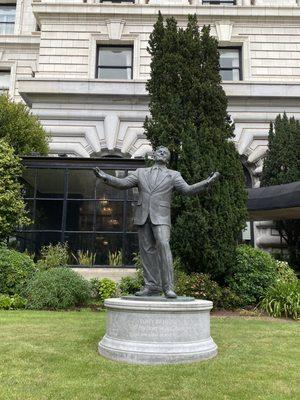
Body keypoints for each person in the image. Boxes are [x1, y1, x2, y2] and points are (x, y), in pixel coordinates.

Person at [94, 146, 220, 298]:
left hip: (161, 217)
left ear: (167, 159)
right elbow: (123, 183)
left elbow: (187, 190)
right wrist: (105, 177)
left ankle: (168, 288)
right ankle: (152, 286)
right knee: (146, 252)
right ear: (153, 155)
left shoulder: (173, 175)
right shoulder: (140, 173)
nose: (161, 152)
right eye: (159, 151)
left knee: (163, 245)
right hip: (143, 216)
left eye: (165, 152)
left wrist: (207, 182)